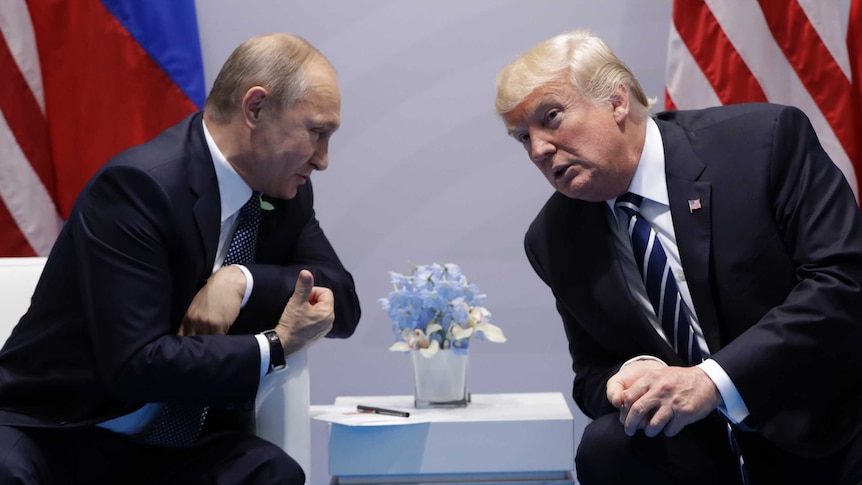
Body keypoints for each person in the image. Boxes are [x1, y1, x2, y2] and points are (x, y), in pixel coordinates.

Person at [495, 29, 862, 485]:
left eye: (551, 118)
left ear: (616, 101)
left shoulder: (760, 145)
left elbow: (844, 281)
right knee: (607, 445)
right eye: (522, 137)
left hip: (827, 416)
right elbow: (590, 373)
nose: (539, 148)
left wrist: (711, 380)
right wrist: (628, 374)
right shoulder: (555, 238)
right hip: (700, 445)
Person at [0, 33, 361, 484]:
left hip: (169, 450)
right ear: (255, 108)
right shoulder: (138, 189)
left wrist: (242, 281)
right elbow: (136, 366)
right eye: (316, 132)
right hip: (61, 433)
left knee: (272, 474)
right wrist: (274, 345)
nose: (324, 160)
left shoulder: (284, 194)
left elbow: (342, 303)